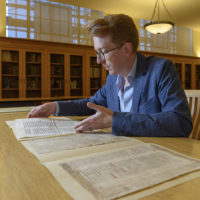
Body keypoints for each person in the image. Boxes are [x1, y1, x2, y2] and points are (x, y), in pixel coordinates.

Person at [27, 14, 192, 137]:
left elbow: (180, 122)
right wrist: (55, 106)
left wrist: (116, 121)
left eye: (103, 52)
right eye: (96, 53)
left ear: (126, 49)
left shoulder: (160, 69)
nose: (98, 61)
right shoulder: (113, 78)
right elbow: (91, 104)